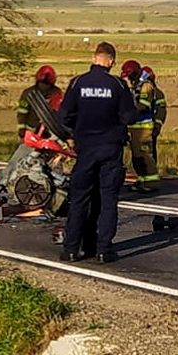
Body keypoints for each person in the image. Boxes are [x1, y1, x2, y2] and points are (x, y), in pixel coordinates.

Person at [58, 41, 136, 263]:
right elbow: (129, 117)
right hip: (111, 148)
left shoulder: (78, 83)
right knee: (108, 199)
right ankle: (104, 250)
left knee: (79, 199)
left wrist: (73, 133)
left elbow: (64, 116)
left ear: (94, 58)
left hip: (86, 149)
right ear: (111, 61)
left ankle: (72, 249)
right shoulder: (118, 85)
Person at [121, 59, 160, 193]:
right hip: (135, 127)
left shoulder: (146, 86)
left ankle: (151, 182)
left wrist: (129, 111)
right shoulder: (136, 85)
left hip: (143, 129)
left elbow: (144, 104)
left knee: (145, 156)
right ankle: (142, 180)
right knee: (137, 157)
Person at [16, 65, 64, 139]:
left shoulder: (57, 93)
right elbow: (22, 113)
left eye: (46, 84)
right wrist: (22, 131)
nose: (44, 87)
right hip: (31, 130)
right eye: (41, 83)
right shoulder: (29, 94)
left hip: (52, 132)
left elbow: (60, 113)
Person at [141, 66, 167, 168]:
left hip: (150, 128)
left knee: (149, 154)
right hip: (140, 130)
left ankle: (150, 179)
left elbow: (161, 111)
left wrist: (157, 126)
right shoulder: (139, 92)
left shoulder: (157, 94)